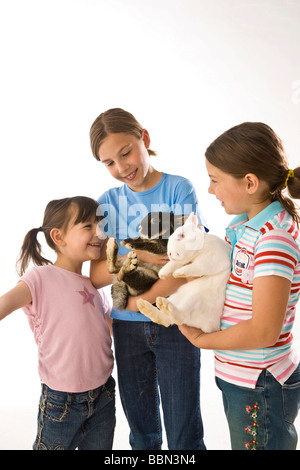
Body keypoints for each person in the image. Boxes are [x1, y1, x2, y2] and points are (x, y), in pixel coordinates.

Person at [89, 108, 207, 450]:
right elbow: (96, 274)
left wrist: (143, 299)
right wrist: (137, 253)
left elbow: (190, 263)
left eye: (125, 153)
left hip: (174, 322)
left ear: (145, 138)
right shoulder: (107, 203)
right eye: (109, 162)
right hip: (125, 328)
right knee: (142, 434)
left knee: (184, 433)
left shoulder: (179, 190)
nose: (121, 167)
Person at [179, 122, 300, 450]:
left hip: (261, 381)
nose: (209, 190)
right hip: (242, 377)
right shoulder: (243, 227)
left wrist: (204, 340)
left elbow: (264, 331)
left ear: (249, 182)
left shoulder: (274, 238)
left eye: (215, 180)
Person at [0, 196, 115, 450]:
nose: (99, 233)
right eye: (88, 226)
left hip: (104, 395)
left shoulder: (95, 287)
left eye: (100, 226)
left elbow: (107, 331)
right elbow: (5, 304)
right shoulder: (40, 277)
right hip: (62, 401)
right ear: (58, 237)